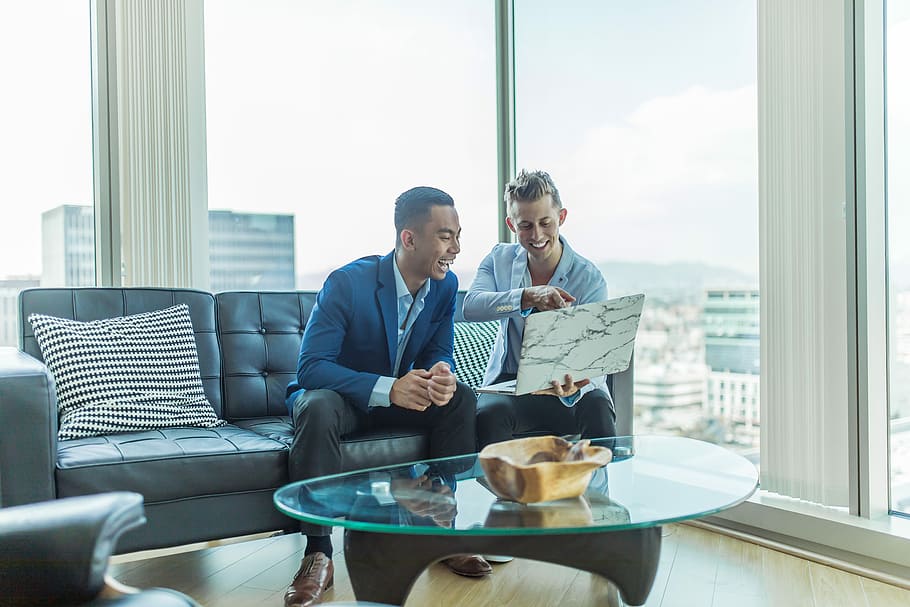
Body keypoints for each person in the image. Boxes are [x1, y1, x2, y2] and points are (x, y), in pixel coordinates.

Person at [282, 186, 488, 607]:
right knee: (316, 405)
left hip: (402, 402)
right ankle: (317, 553)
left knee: (461, 399)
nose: (457, 248)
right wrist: (387, 388)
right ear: (408, 238)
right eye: (446, 236)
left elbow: (438, 350)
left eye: (458, 235)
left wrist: (442, 372)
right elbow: (311, 368)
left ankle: (439, 526)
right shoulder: (347, 283)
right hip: (344, 402)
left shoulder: (445, 287)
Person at [463, 169, 617, 449]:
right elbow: (471, 307)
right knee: (488, 414)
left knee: (598, 407)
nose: (537, 235)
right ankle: (504, 493)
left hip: (569, 388)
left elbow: (597, 357)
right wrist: (526, 297)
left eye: (546, 222)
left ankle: (597, 492)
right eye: (525, 226)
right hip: (511, 385)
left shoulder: (589, 278)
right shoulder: (499, 260)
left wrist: (576, 383)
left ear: (562, 217)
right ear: (511, 224)